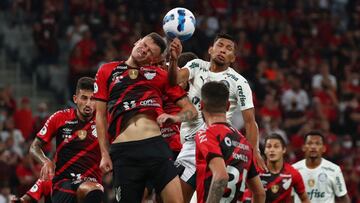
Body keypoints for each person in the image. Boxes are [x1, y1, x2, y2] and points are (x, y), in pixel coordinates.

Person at [94, 32, 197, 203]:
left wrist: (175, 118)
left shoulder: (160, 75)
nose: (144, 50)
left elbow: (191, 110)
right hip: (124, 153)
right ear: (136, 42)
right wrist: (104, 153)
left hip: (155, 147)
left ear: (153, 61)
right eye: (143, 44)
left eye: (150, 51)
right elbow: (100, 116)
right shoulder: (107, 70)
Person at [168, 33, 266, 202]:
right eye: (220, 45)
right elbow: (174, 80)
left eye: (228, 49)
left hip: (214, 142)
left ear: (233, 58)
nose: (222, 50)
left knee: (175, 198)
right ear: (210, 50)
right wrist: (174, 60)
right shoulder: (197, 66)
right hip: (190, 142)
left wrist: (254, 151)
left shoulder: (239, 82)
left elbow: (250, 122)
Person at [30, 77, 104, 203]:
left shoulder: (103, 123)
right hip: (64, 184)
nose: (88, 104)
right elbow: (34, 147)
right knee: (93, 190)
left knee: (94, 190)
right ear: (75, 99)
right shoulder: (60, 118)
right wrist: (45, 161)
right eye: (84, 98)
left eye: (92, 99)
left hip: (92, 187)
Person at [195, 81, 265, 203]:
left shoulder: (206, 134)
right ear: (228, 106)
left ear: (201, 105)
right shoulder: (244, 142)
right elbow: (260, 193)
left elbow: (221, 177)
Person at [242, 133, 310, 203]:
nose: (272, 150)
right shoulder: (255, 171)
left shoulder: (293, 173)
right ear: (265, 150)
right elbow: (245, 194)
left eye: (276, 146)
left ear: (283, 150)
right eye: (268, 146)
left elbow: (304, 199)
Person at [292, 131, 350, 203]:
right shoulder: (293, 170)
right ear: (303, 147)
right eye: (310, 143)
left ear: (323, 148)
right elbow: (289, 198)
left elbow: (344, 198)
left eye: (317, 144)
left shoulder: (334, 170)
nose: (313, 147)